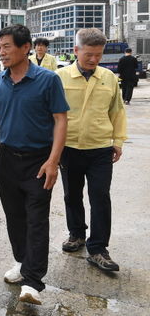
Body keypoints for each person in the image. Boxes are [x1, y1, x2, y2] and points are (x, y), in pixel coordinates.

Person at [0, 24, 69, 306]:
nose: (1, 53)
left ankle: (33, 282)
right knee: (14, 216)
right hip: (7, 158)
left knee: (36, 219)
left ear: (25, 47)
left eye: (6, 47)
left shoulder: (48, 80)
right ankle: (22, 262)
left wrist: (54, 161)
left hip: (39, 161)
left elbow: (61, 120)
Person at [56, 28, 126, 273]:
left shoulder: (108, 78)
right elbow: (50, 115)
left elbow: (117, 111)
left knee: (100, 197)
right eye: (89, 54)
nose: (94, 59)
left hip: (100, 148)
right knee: (71, 195)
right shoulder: (60, 77)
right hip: (69, 148)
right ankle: (76, 234)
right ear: (76, 51)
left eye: (98, 54)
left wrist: (117, 140)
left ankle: (98, 248)